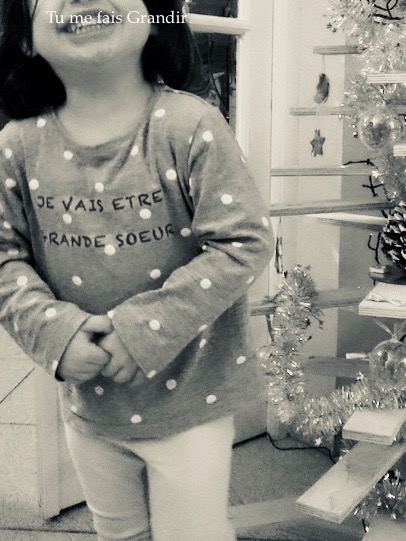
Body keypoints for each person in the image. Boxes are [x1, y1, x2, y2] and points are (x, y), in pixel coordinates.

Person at [0, 1, 274, 540]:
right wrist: (54, 331)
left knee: (192, 533)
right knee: (117, 532)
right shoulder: (17, 145)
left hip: (193, 401)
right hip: (90, 403)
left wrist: (143, 328)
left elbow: (243, 240)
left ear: (157, 16)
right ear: (25, 35)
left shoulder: (191, 125)